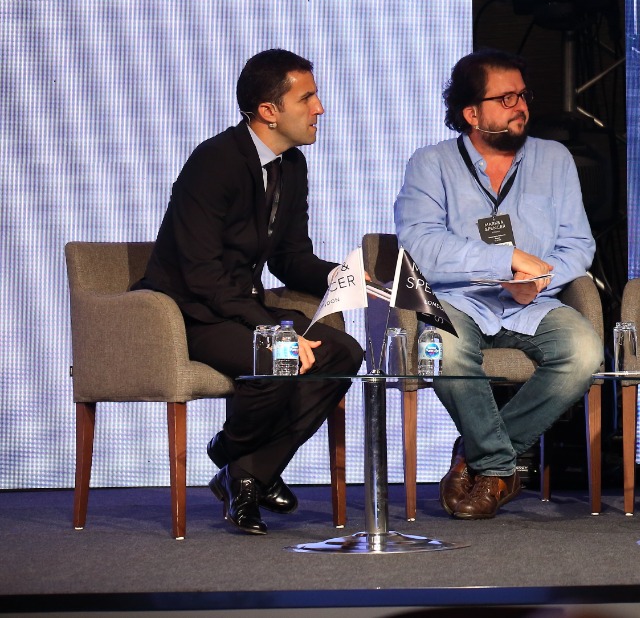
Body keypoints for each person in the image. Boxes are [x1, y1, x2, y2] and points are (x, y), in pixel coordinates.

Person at [136, 49, 364, 535]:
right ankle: (242, 464)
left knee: (343, 352)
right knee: (279, 357)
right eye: (307, 98)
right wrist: (274, 330)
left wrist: (344, 277)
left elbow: (290, 257)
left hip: (238, 306)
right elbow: (201, 274)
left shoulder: (291, 165)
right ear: (268, 111)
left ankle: (243, 467)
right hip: (190, 312)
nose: (319, 108)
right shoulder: (214, 161)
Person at [394, 50, 603, 520]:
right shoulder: (430, 164)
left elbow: (578, 245)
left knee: (585, 353)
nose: (520, 106)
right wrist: (506, 259)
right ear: (471, 113)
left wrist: (538, 277)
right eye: (506, 98)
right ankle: (498, 468)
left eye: (523, 95)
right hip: (459, 299)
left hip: (533, 302)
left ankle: (475, 457)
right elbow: (421, 245)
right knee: (443, 351)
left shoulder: (554, 159)